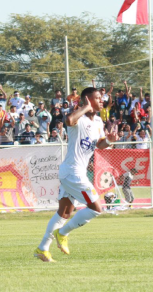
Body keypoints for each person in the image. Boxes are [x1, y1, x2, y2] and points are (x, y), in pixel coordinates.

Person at [34, 87, 118, 262]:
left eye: (101, 98)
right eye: (97, 98)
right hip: (73, 173)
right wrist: (85, 108)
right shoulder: (78, 116)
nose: (101, 101)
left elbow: (100, 145)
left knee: (64, 213)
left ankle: (42, 249)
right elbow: (69, 120)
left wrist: (109, 140)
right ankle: (63, 233)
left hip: (73, 173)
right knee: (96, 208)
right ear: (87, 99)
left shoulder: (98, 123)